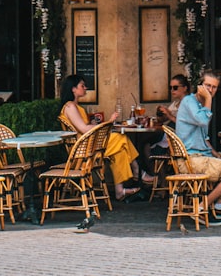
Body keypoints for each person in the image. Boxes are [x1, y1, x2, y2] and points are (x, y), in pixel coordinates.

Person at [60, 73, 154, 201]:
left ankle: (120, 190)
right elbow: (83, 129)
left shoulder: (75, 106)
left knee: (119, 149)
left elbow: (84, 127)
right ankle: (137, 171)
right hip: (83, 149)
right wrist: (107, 123)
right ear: (73, 89)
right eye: (82, 86)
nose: (85, 88)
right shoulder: (70, 106)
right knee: (120, 139)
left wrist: (94, 123)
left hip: (88, 144)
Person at [175, 69, 221, 217]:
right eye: (207, 85)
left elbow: (203, 136)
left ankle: (220, 204)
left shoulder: (201, 105)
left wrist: (215, 153)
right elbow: (203, 121)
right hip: (191, 159)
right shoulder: (189, 102)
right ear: (199, 86)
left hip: (204, 155)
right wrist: (209, 99)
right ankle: (202, 206)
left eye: (214, 87)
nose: (210, 90)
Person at [143, 74, 190, 167]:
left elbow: (186, 124)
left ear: (185, 88)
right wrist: (160, 113)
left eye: (175, 87)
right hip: (168, 137)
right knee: (144, 144)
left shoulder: (189, 103)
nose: (172, 90)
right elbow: (163, 120)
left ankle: (157, 177)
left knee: (147, 147)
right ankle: (155, 176)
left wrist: (169, 114)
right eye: (170, 87)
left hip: (178, 142)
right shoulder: (176, 103)